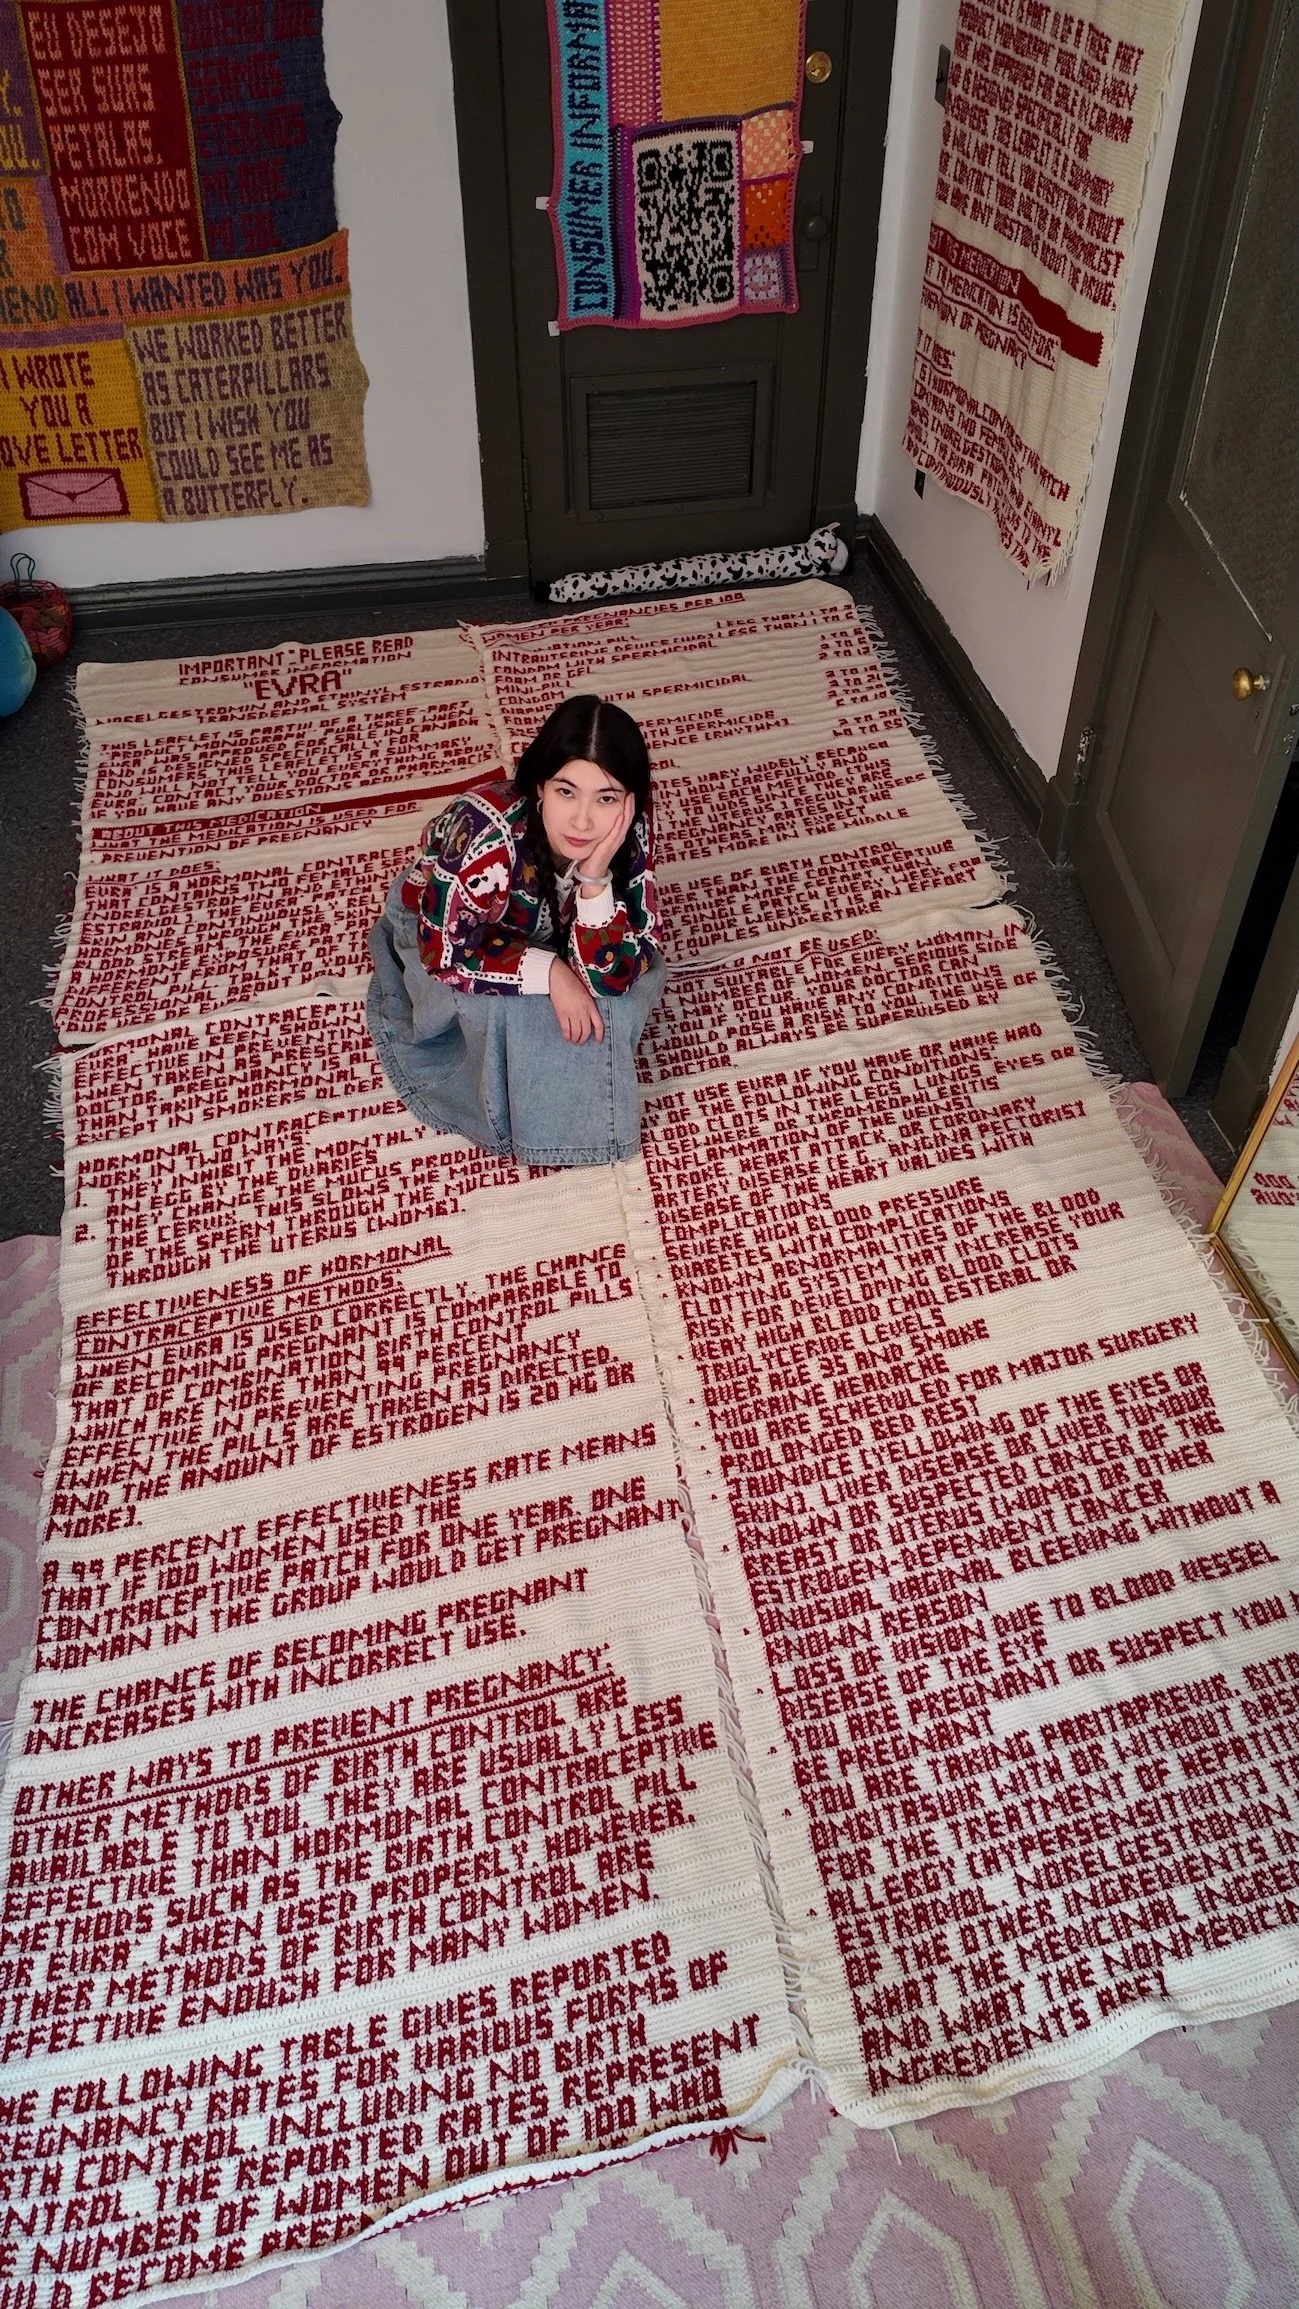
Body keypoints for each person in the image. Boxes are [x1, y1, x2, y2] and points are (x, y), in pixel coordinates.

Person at [367, 693, 665, 1166]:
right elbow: (445, 952)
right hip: (452, 932)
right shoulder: (483, 833)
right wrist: (550, 971)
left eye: (606, 798)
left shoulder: (626, 828)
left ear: (628, 800)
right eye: (566, 792)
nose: (584, 821)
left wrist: (594, 878)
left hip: (552, 927)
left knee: (621, 990)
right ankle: (534, 1126)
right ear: (541, 787)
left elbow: (621, 967)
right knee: (512, 1013)